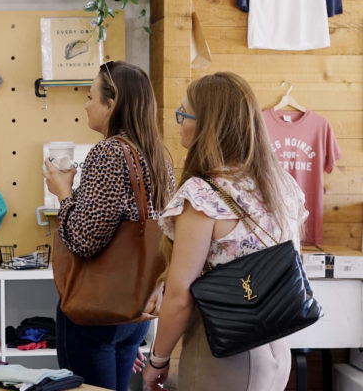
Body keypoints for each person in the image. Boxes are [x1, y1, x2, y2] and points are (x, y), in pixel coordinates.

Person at [142, 72, 308, 391]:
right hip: (277, 348)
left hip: (224, 352)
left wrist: (157, 360)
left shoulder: (203, 196)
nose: (179, 123)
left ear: (207, 124)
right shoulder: (280, 184)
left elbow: (180, 298)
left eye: (183, 113)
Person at [44, 60, 175, 391]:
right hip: (134, 307)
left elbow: (84, 239)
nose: (86, 105)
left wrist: (62, 193)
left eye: (91, 97)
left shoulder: (108, 153)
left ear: (111, 103)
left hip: (95, 308)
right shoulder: (159, 154)